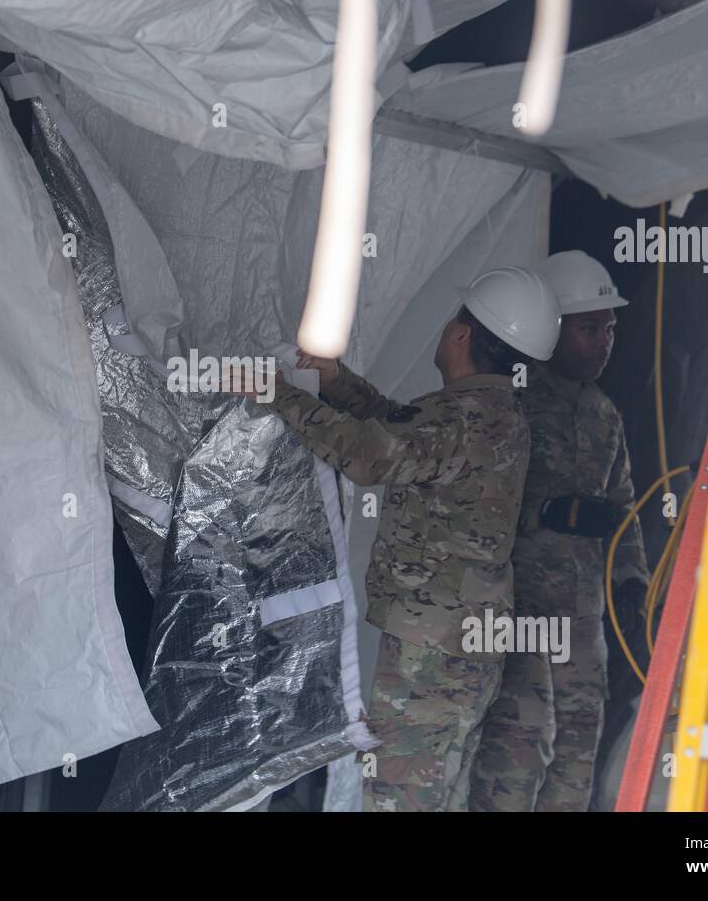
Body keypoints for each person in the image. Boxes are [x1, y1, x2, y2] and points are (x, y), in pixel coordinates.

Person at [236, 267, 560, 811]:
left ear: (461, 335)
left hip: (430, 655)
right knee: (440, 791)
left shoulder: (460, 419)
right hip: (466, 645)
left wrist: (280, 396)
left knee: (399, 796)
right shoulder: (496, 415)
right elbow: (402, 431)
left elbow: (370, 455)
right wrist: (340, 384)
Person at [469, 250, 648, 812]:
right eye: (590, 328)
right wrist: (547, 515)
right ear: (553, 327)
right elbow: (468, 507)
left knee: (578, 741)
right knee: (517, 745)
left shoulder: (603, 414)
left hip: (582, 617)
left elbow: (624, 509)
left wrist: (631, 582)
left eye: (610, 329)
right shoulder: (509, 404)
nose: (604, 341)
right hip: (517, 613)